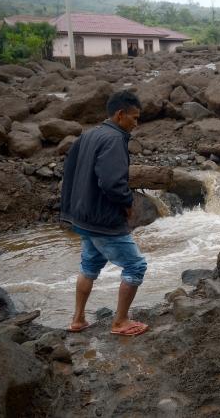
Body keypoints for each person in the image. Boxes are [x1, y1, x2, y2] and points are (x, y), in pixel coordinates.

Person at [60, 90, 149, 337]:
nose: (136, 123)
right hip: (103, 218)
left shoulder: (90, 134)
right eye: (134, 117)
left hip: (84, 215)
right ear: (120, 115)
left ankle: (78, 319)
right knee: (135, 266)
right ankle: (120, 322)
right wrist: (127, 202)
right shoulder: (114, 139)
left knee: (89, 264)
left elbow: (71, 170)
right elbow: (111, 182)